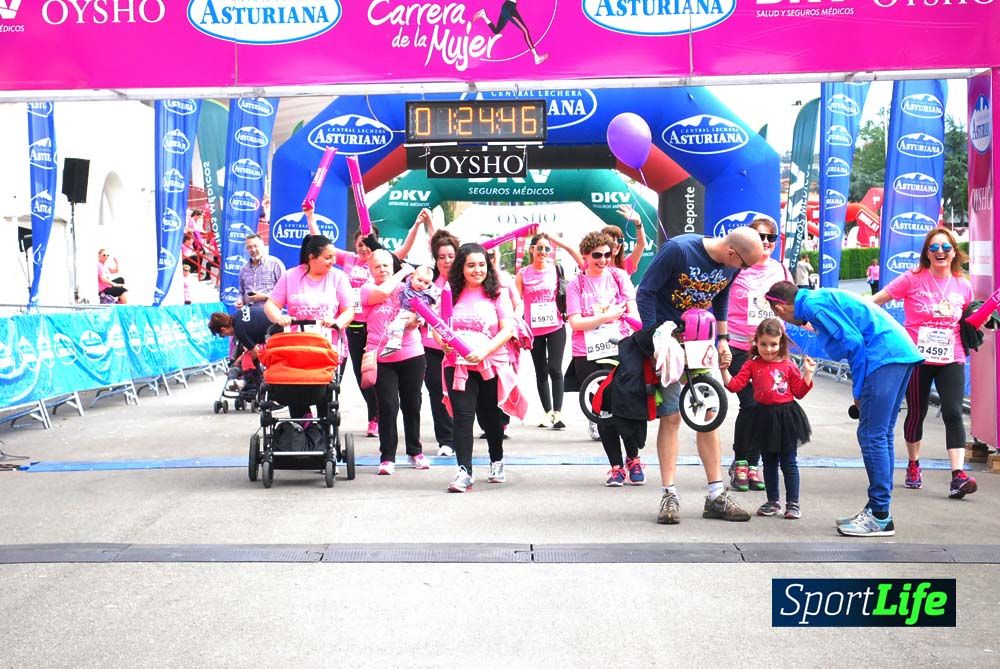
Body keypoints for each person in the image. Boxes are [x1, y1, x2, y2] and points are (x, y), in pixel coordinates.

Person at [765, 281, 922, 537]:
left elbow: (854, 344)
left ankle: (880, 515)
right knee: (881, 435)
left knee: (871, 436)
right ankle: (878, 509)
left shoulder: (814, 306)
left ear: (780, 308)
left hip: (884, 356)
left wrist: (858, 391)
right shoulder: (819, 298)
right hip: (899, 352)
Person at [636, 226, 765, 525]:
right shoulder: (679, 250)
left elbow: (721, 297)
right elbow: (646, 292)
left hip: (699, 338)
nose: (742, 272)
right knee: (671, 417)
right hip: (667, 340)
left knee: (708, 414)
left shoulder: (731, 268)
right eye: (744, 265)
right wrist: (656, 337)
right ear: (733, 253)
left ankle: (716, 495)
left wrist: (723, 339)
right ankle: (669, 494)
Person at [871, 227, 977, 500]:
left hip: (951, 355)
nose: (940, 252)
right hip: (917, 357)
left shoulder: (963, 284)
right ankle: (914, 464)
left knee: (953, 411)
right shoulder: (912, 278)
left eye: (946, 248)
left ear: (954, 252)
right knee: (916, 412)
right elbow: (878, 299)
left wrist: (984, 322)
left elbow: (971, 320)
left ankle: (958, 475)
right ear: (926, 254)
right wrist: (856, 313)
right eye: (934, 248)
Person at [304, 204, 427, 438]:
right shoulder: (349, 260)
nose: (361, 247)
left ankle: (375, 417)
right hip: (354, 324)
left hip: (380, 326)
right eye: (358, 243)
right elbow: (318, 240)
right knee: (365, 375)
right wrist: (310, 217)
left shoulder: (383, 261)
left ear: (373, 245)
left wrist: (417, 225)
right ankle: (374, 413)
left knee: (383, 375)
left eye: (365, 243)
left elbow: (406, 248)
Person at [439, 243, 524, 492]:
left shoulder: (498, 292)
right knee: (463, 418)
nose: (477, 270)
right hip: (457, 365)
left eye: (482, 265)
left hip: (490, 363)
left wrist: (483, 351)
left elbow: (507, 329)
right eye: (471, 265)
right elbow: (438, 327)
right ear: (461, 268)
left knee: (489, 416)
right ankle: (464, 472)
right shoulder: (448, 291)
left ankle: (496, 459)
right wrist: (442, 344)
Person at [566, 231, 642, 485]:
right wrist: (605, 318)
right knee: (603, 411)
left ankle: (634, 458)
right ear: (585, 256)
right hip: (587, 352)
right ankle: (616, 466)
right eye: (597, 255)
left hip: (618, 347)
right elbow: (575, 322)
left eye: (608, 254)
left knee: (626, 406)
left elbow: (633, 314)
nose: (603, 259)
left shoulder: (619, 277)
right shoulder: (576, 284)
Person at [721, 319, 816, 520]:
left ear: (781, 342)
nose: (768, 349)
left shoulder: (788, 365)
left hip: (786, 417)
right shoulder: (752, 364)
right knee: (769, 462)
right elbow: (734, 385)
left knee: (789, 462)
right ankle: (773, 502)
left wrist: (808, 373)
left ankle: (793, 503)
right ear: (756, 342)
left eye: (773, 344)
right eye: (763, 344)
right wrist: (724, 369)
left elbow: (799, 392)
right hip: (763, 417)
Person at [725, 217, 793, 492]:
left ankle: (753, 465)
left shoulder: (781, 270)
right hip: (740, 347)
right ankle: (742, 461)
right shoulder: (736, 269)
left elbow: (790, 305)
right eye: (760, 237)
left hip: (772, 351)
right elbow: (716, 303)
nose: (766, 242)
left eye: (771, 238)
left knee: (765, 406)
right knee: (750, 403)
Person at [263, 233, 355, 418]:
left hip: (328, 346)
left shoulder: (338, 278)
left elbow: (349, 310)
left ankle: (323, 432)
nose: (333, 261)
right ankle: (302, 428)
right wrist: (279, 318)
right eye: (328, 257)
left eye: (333, 257)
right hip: (297, 346)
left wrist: (337, 323)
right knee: (295, 392)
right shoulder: (291, 276)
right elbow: (271, 305)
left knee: (325, 394)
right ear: (311, 258)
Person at [361, 250, 431, 475]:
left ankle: (415, 451)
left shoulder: (407, 287)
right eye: (377, 266)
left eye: (386, 265)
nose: (382, 269)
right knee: (388, 405)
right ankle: (387, 456)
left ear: (393, 265)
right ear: (370, 270)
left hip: (411, 353)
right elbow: (381, 293)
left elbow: (424, 308)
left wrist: (417, 319)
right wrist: (403, 273)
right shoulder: (368, 289)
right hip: (381, 357)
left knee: (413, 403)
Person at [516, 233, 567, 429]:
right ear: (532, 250)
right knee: (541, 371)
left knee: (555, 368)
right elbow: (515, 301)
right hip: (533, 329)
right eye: (540, 248)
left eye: (547, 249)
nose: (543, 252)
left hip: (555, 326)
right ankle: (547, 413)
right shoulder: (523, 274)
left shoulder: (556, 269)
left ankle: (558, 414)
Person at [424, 229, 462, 457]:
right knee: (437, 392)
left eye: (450, 256)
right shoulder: (427, 284)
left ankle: (462, 434)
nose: (447, 261)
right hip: (432, 348)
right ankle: (445, 440)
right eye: (441, 257)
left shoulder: (465, 283)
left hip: (461, 349)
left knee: (461, 394)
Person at [548, 205, 646, 275]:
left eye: (619, 241)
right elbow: (569, 247)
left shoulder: (625, 265)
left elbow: (641, 245)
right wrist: (542, 232)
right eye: (612, 241)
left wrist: (638, 222)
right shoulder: (590, 265)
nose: (616, 244)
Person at [381, 266, 435, 357]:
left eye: (426, 283)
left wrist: (421, 318)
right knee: (391, 328)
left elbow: (427, 308)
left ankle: (395, 343)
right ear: (412, 277)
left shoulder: (425, 295)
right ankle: (392, 344)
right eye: (419, 280)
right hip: (403, 312)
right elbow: (407, 281)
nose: (421, 284)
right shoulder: (407, 286)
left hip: (412, 314)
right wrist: (406, 270)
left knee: (397, 326)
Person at [474, 1, 548, 64]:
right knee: (525, 31)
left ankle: (483, 15)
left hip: (507, 7)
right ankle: (536, 57)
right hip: (509, 8)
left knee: (496, 31)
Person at [236, 233, 285, 308]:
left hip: (269, 313)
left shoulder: (275, 264)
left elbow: (284, 290)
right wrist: (240, 301)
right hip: (248, 313)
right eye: (249, 247)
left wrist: (265, 297)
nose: (253, 249)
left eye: (256, 246)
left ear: (263, 246)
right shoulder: (244, 269)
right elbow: (241, 292)